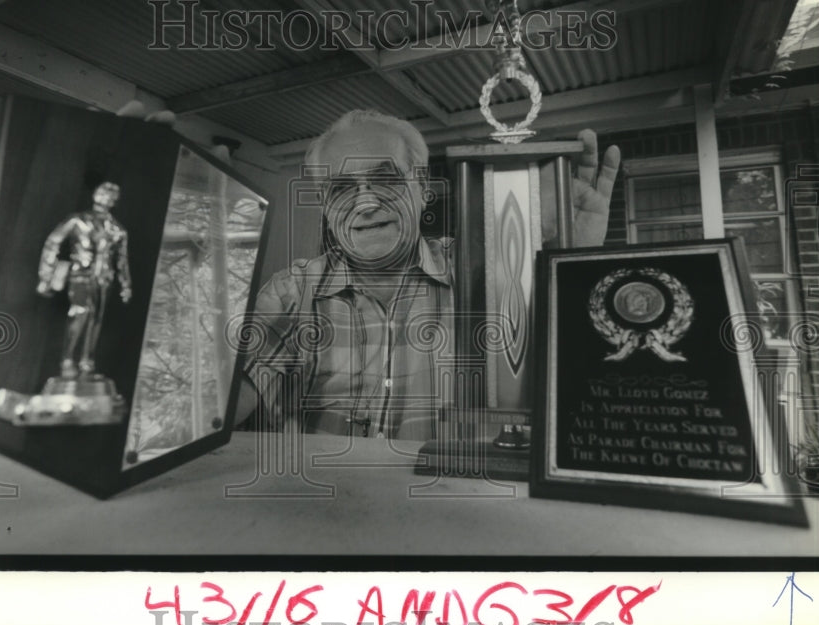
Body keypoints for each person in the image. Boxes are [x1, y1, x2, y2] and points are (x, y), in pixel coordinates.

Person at [236, 109, 620, 440]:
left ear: (422, 188)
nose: (365, 203)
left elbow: (584, 372)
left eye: (386, 180)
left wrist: (572, 264)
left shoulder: (491, 272)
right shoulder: (289, 294)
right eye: (340, 189)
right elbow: (225, 403)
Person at [36, 181, 133, 379]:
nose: (105, 198)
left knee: (96, 319)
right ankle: (67, 360)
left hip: (104, 278)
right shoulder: (78, 220)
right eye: (102, 193)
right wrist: (47, 274)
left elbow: (122, 260)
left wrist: (126, 284)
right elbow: (53, 242)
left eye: (110, 195)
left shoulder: (118, 230)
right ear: (95, 195)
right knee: (80, 312)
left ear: (115, 201)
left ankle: (87, 362)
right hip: (81, 273)